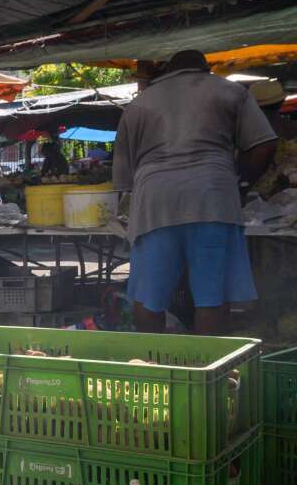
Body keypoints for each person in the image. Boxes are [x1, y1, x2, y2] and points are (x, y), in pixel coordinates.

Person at [113, 50, 276, 335]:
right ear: (205, 68)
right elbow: (263, 144)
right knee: (212, 296)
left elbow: (124, 178)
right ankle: (207, 370)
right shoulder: (230, 91)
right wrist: (243, 182)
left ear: (168, 70)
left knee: (148, 297)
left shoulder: (140, 103)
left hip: (155, 202)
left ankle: (151, 365)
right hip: (212, 196)